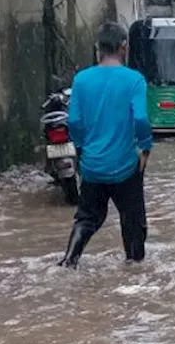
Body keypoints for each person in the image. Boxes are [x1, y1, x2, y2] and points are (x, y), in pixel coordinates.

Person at [58, 22, 152, 269]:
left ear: (97, 48)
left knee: (87, 218)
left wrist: (81, 147)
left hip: (92, 166)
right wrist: (145, 147)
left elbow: (74, 121)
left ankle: (70, 259)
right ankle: (134, 268)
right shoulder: (134, 80)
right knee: (132, 221)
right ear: (124, 47)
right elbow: (141, 118)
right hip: (126, 166)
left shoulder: (81, 80)